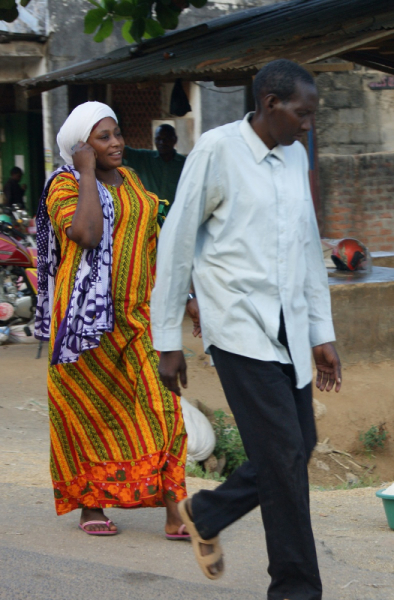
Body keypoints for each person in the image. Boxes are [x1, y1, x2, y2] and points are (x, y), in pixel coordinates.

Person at [150, 60, 342, 599]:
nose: (307, 124)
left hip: (288, 330)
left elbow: (307, 250)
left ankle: (205, 512)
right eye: (302, 113)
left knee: (296, 446)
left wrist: (320, 335)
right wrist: (168, 340)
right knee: (283, 458)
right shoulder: (217, 151)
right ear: (270, 103)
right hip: (237, 327)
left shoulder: (293, 158)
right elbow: (177, 242)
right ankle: (296, 589)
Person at [34, 101, 188, 538]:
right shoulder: (64, 186)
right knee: (88, 413)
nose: (117, 142)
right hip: (84, 327)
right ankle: (91, 504)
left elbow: (153, 237)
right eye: (104, 138)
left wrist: (185, 295)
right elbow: (87, 234)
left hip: (139, 316)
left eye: (117, 133)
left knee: (164, 407)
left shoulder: (133, 180)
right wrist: (85, 173)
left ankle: (176, 511)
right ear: (82, 147)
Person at [123, 124, 186, 207]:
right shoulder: (144, 158)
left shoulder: (184, 163)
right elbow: (122, 151)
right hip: (149, 215)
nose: (162, 143)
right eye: (158, 139)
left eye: (166, 139)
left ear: (174, 140)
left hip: (174, 215)